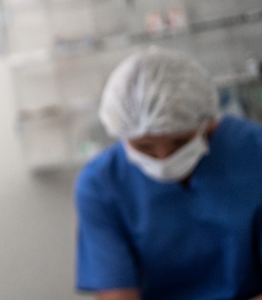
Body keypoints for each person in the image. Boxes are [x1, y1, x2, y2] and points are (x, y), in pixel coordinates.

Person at [75, 48, 262, 300]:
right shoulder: (100, 184)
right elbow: (117, 291)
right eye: (144, 147)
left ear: (206, 121)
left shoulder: (254, 152)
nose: (164, 159)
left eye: (180, 142)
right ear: (122, 135)